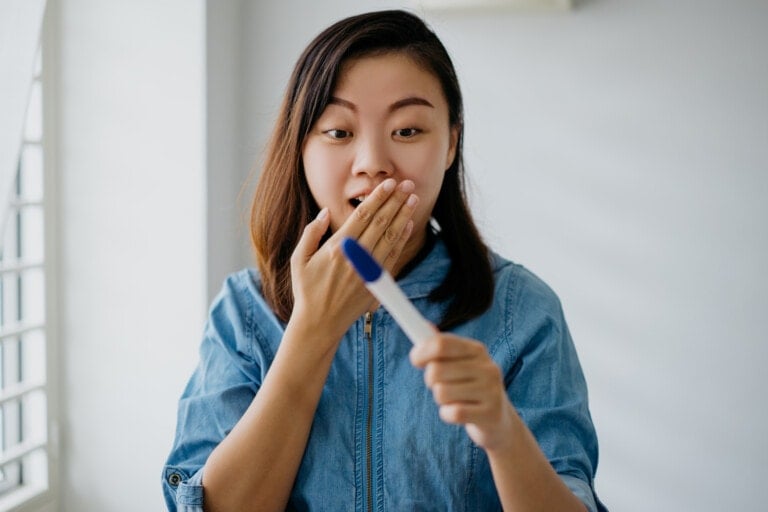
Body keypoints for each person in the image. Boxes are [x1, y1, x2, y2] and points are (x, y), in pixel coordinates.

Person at [162, 9, 605, 512]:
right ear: (301, 147)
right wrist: (312, 332)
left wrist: (504, 433)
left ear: (451, 144)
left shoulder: (523, 312)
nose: (373, 163)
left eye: (408, 130)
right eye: (338, 132)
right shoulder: (243, 313)